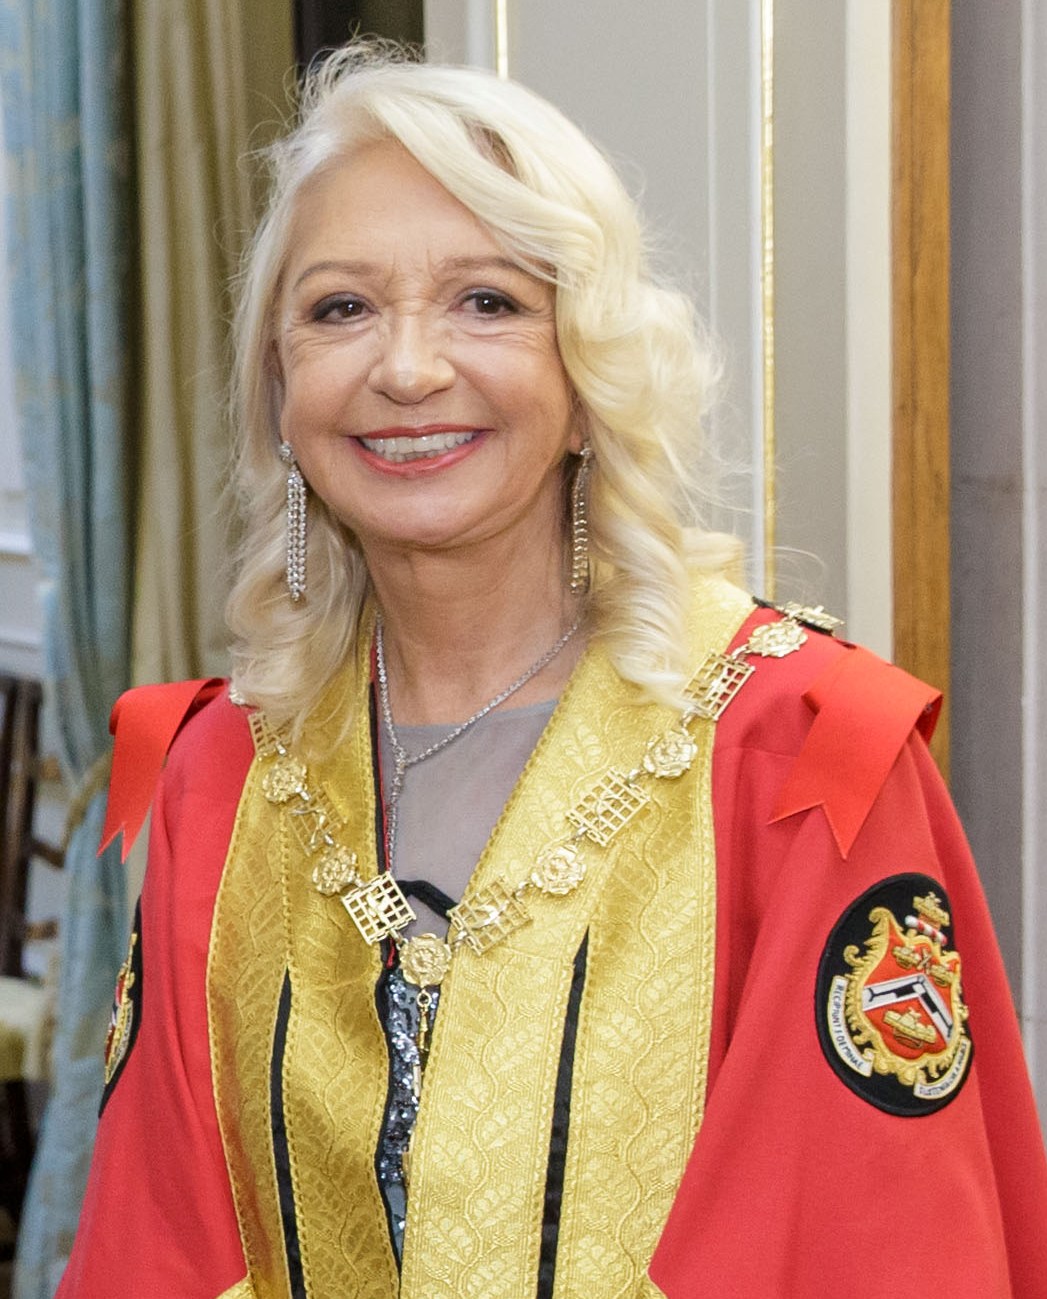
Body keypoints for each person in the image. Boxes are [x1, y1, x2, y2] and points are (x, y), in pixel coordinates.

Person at [57, 44, 1047, 1299]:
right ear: (280, 391)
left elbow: (869, 1251)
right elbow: (154, 1250)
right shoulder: (221, 775)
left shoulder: (801, 761)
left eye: (488, 302)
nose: (408, 367)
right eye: (340, 309)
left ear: (588, 381)